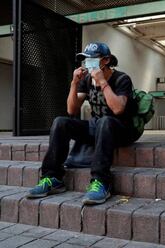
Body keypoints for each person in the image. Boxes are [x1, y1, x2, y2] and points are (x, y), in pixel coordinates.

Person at [27, 42, 141, 204]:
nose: (88, 63)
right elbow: (72, 110)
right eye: (85, 59)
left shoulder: (122, 79)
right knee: (61, 122)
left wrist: (103, 82)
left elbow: (118, 109)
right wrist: (74, 83)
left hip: (120, 130)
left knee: (105, 121)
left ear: (106, 60)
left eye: (92, 59)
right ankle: (52, 178)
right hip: (97, 127)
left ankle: (101, 181)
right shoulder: (87, 80)